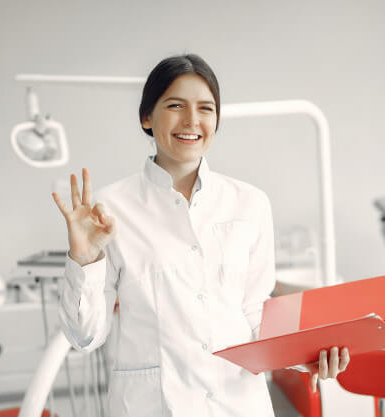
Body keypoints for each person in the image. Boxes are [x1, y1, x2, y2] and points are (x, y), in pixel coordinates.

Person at [53, 54, 350, 417]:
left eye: (205, 108)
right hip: (153, 406)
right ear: (147, 117)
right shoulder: (110, 208)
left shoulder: (251, 203)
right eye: (175, 105)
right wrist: (84, 257)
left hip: (239, 403)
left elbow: (255, 312)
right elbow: (84, 337)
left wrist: (305, 356)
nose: (192, 121)